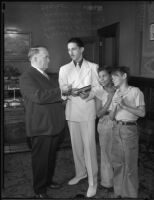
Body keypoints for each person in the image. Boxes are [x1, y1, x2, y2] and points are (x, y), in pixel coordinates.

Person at [19, 47, 66, 198]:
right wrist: (61, 91)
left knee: (51, 156)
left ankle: (48, 181)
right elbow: (38, 97)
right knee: (41, 160)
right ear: (35, 59)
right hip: (41, 127)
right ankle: (39, 190)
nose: (49, 59)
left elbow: (52, 96)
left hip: (53, 125)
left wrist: (64, 95)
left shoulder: (46, 75)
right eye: (46, 56)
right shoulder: (27, 76)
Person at [58, 38, 100, 198]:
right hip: (71, 110)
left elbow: (98, 88)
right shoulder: (63, 69)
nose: (71, 52)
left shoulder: (93, 67)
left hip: (87, 111)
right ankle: (80, 173)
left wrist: (89, 94)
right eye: (69, 50)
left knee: (89, 147)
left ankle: (92, 181)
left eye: (74, 49)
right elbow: (61, 92)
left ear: (82, 49)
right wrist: (68, 92)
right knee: (76, 146)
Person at [108, 66, 145, 198]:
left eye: (115, 76)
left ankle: (130, 194)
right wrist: (116, 106)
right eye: (112, 78)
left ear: (124, 76)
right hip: (116, 128)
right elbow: (111, 117)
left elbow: (142, 113)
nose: (112, 80)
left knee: (130, 162)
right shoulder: (116, 93)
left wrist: (124, 105)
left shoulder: (136, 91)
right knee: (117, 162)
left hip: (129, 129)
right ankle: (118, 191)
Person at [95, 67, 115, 190]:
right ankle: (107, 182)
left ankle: (119, 180)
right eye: (100, 76)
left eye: (104, 76)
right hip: (105, 123)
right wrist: (109, 99)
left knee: (118, 153)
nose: (101, 79)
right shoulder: (99, 92)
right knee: (106, 154)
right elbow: (98, 114)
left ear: (110, 76)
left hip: (119, 122)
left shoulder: (118, 88)